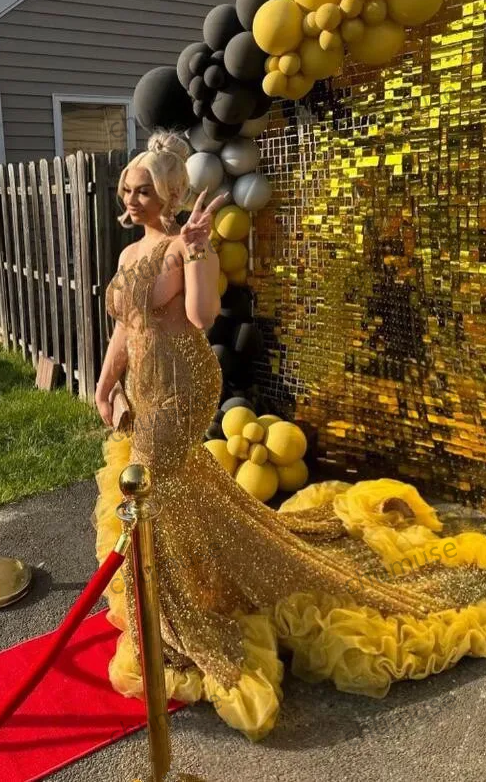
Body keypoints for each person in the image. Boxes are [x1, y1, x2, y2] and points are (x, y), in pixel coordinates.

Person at [92, 130, 486, 741]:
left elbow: (198, 318)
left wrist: (196, 252)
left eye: (143, 190)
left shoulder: (178, 246)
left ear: (168, 195)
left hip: (180, 385)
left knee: (154, 492)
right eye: (127, 189)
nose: (132, 198)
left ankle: (175, 617)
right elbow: (128, 324)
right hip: (143, 382)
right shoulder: (126, 256)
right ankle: (200, 577)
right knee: (174, 493)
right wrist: (105, 379)